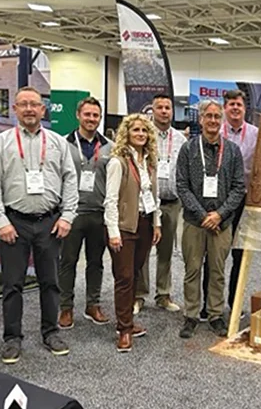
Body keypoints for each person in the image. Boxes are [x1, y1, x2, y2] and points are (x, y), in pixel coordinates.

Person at [0, 86, 78, 364]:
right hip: (14, 224)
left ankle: (51, 332)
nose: (29, 109)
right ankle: (12, 338)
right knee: (13, 284)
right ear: (14, 109)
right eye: (23, 104)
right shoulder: (1, 143)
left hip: (50, 222)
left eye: (34, 104)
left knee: (51, 282)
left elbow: (70, 179)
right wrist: (0, 221)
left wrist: (67, 216)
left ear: (42, 109)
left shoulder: (57, 142)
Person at [177, 99, 245, 339]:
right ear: (201, 119)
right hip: (194, 222)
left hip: (222, 224)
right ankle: (191, 315)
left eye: (217, 116)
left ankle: (215, 314)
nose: (213, 120)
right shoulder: (188, 149)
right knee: (192, 270)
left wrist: (220, 214)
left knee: (217, 271)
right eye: (209, 116)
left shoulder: (233, 151)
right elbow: (182, 186)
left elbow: (238, 187)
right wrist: (202, 215)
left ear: (221, 120)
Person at [104, 114, 162, 352]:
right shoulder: (117, 162)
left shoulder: (150, 161)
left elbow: (154, 195)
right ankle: (124, 329)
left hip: (145, 224)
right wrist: (113, 231)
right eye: (136, 130)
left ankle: (127, 319)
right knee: (124, 277)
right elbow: (110, 200)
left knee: (135, 274)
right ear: (126, 133)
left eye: (144, 130)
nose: (140, 134)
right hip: (124, 227)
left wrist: (157, 223)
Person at [200, 89, 258, 321]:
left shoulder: (256, 134)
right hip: (217, 201)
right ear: (225, 109)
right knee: (213, 254)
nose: (235, 108)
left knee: (239, 255)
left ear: (245, 109)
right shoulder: (215, 132)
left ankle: (234, 304)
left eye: (239, 104)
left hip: (244, 201)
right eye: (231, 104)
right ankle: (208, 305)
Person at [58, 97, 112, 329]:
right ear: (78, 115)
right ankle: (66, 307)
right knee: (67, 262)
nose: (91, 119)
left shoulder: (110, 146)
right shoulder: (63, 144)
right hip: (72, 213)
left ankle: (93, 304)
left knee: (96, 262)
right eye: (87, 114)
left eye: (95, 115)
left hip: (99, 213)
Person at [134, 94, 185, 314]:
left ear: (172, 111)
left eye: (167, 108)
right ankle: (139, 295)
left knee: (166, 251)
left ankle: (163, 294)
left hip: (171, 203)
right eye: (160, 107)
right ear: (152, 111)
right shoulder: (143, 136)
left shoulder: (181, 140)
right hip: (146, 203)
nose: (164, 111)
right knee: (142, 250)